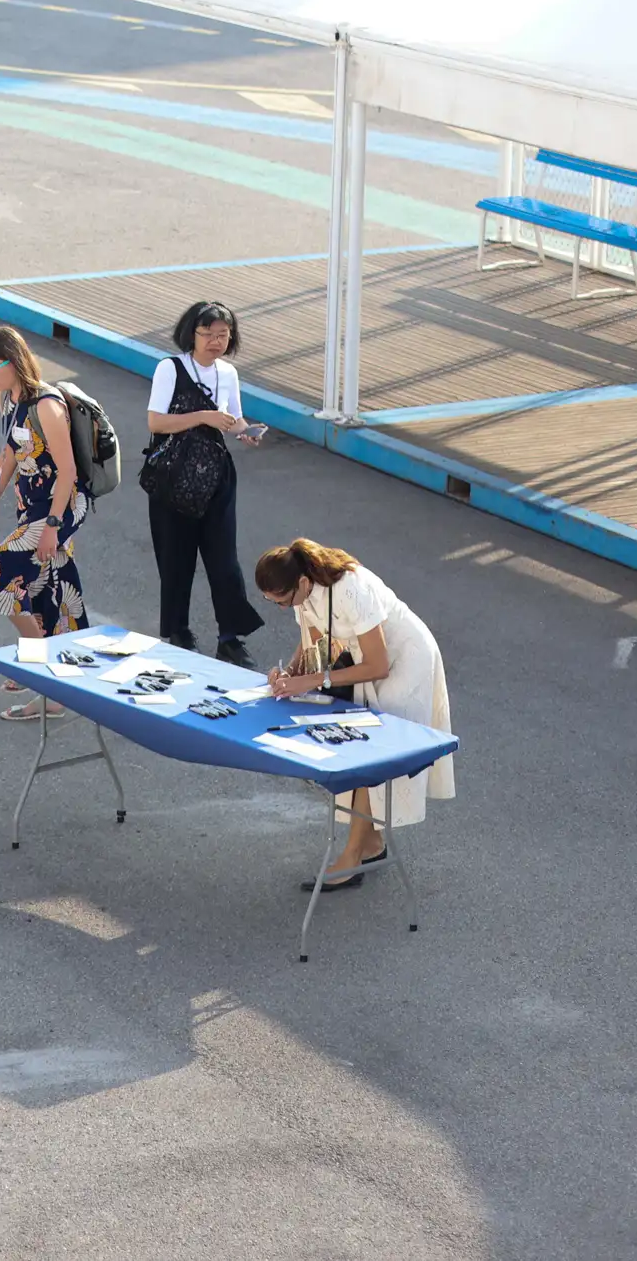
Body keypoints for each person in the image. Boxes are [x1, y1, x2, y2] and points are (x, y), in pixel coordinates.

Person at [254, 539, 455, 891]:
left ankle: (350, 858)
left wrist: (315, 679)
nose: (282, 608)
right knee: (363, 748)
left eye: (283, 601)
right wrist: (288, 673)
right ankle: (371, 844)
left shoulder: (349, 589)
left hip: (404, 661)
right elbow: (314, 640)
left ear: (301, 583)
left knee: (370, 752)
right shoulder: (306, 589)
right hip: (371, 662)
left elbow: (376, 666)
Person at [145, 299, 265, 666]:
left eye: (223, 335)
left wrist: (247, 432)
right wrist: (204, 416)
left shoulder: (228, 373)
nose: (215, 341)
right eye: (208, 334)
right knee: (176, 559)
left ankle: (230, 637)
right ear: (191, 334)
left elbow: (235, 419)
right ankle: (178, 631)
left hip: (216, 477)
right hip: (173, 478)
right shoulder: (170, 368)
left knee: (224, 560)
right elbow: (155, 422)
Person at [0, 324, 85, 707]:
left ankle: (42, 670)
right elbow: (8, 454)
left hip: (60, 505)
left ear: (15, 361)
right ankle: (60, 684)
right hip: (31, 506)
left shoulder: (46, 406)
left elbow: (68, 472)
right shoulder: (8, 400)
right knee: (45, 588)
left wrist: (53, 526)